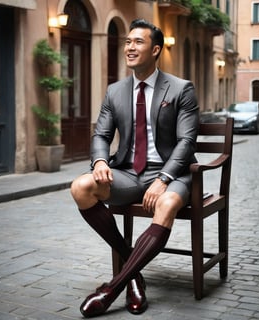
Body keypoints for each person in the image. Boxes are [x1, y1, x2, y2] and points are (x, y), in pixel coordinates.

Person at [71, 18, 199, 318]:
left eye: (138, 42)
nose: (130, 46)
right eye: (128, 41)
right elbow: (101, 135)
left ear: (156, 50)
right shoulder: (115, 91)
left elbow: (187, 141)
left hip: (174, 173)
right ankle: (133, 275)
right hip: (129, 172)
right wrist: (100, 160)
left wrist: (164, 178)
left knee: (166, 203)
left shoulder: (181, 89)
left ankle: (111, 289)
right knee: (80, 188)